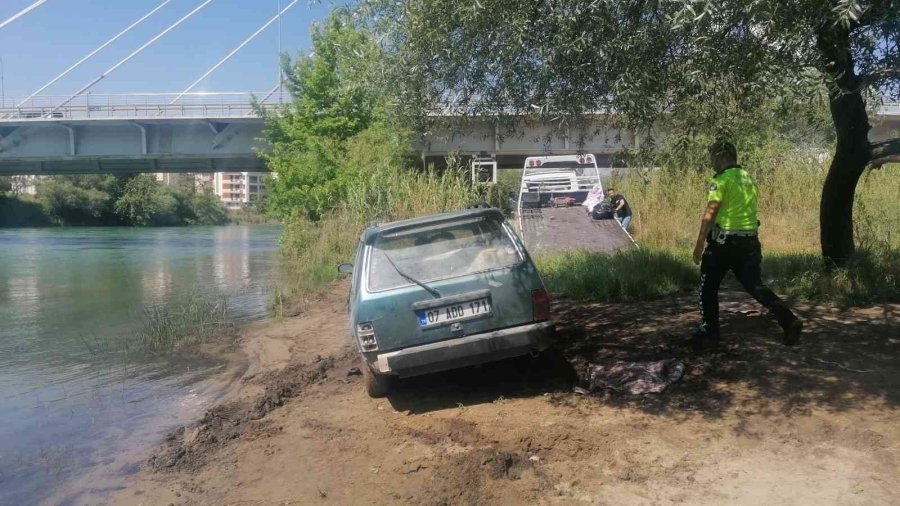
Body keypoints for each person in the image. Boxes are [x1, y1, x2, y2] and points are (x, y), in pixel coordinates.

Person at [691, 140, 802, 349]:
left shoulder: (721, 180)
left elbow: (710, 213)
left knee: (708, 287)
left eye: (713, 158)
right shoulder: (747, 178)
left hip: (724, 244)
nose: (712, 163)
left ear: (722, 158)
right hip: (749, 242)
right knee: (755, 285)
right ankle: (789, 320)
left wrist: (698, 245)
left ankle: (710, 333)